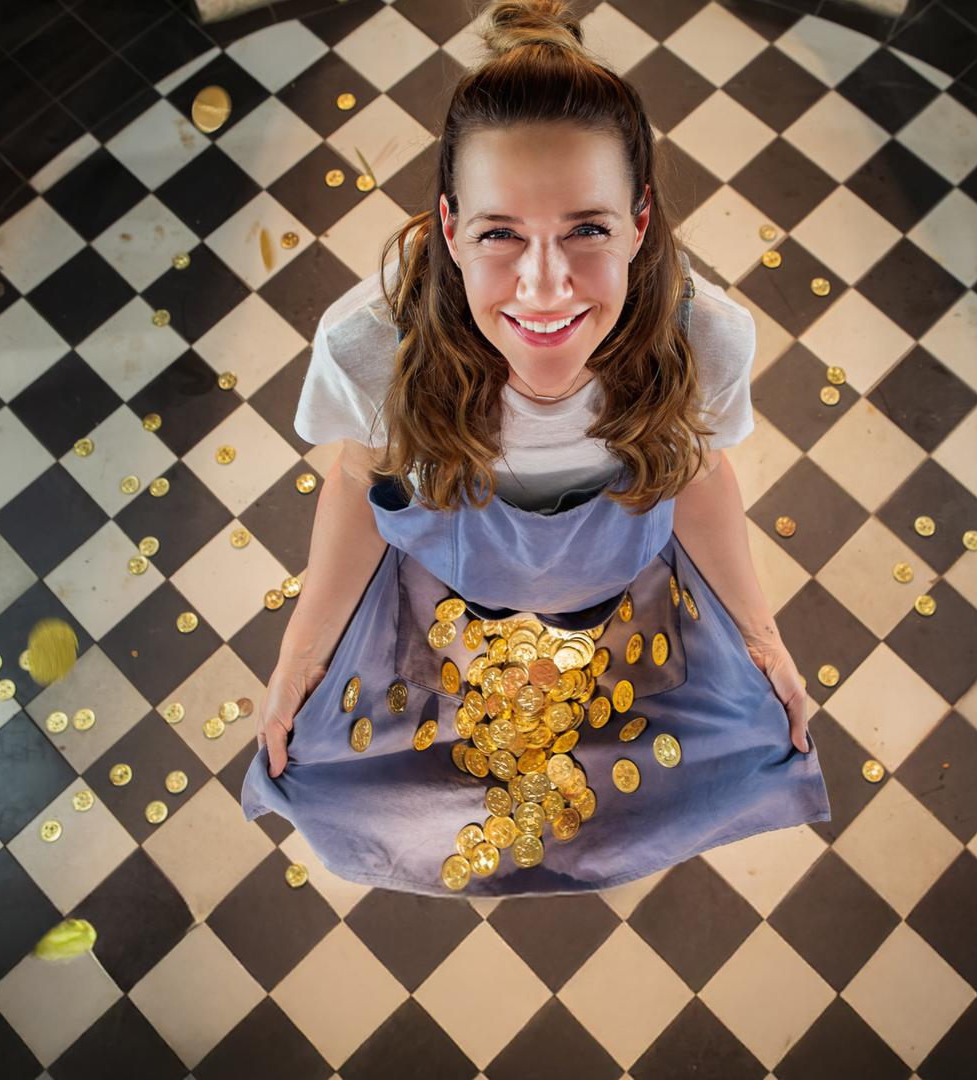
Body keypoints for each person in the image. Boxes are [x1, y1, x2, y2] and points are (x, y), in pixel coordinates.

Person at [238, 0, 830, 897]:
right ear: (449, 228)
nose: (544, 289)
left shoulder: (705, 339)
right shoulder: (371, 348)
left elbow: (700, 474)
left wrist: (762, 638)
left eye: (587, 230)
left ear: (639, 222)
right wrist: (299, 661)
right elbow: (361, 483)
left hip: (618, 598)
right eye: (500, 233)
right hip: (454, 602)